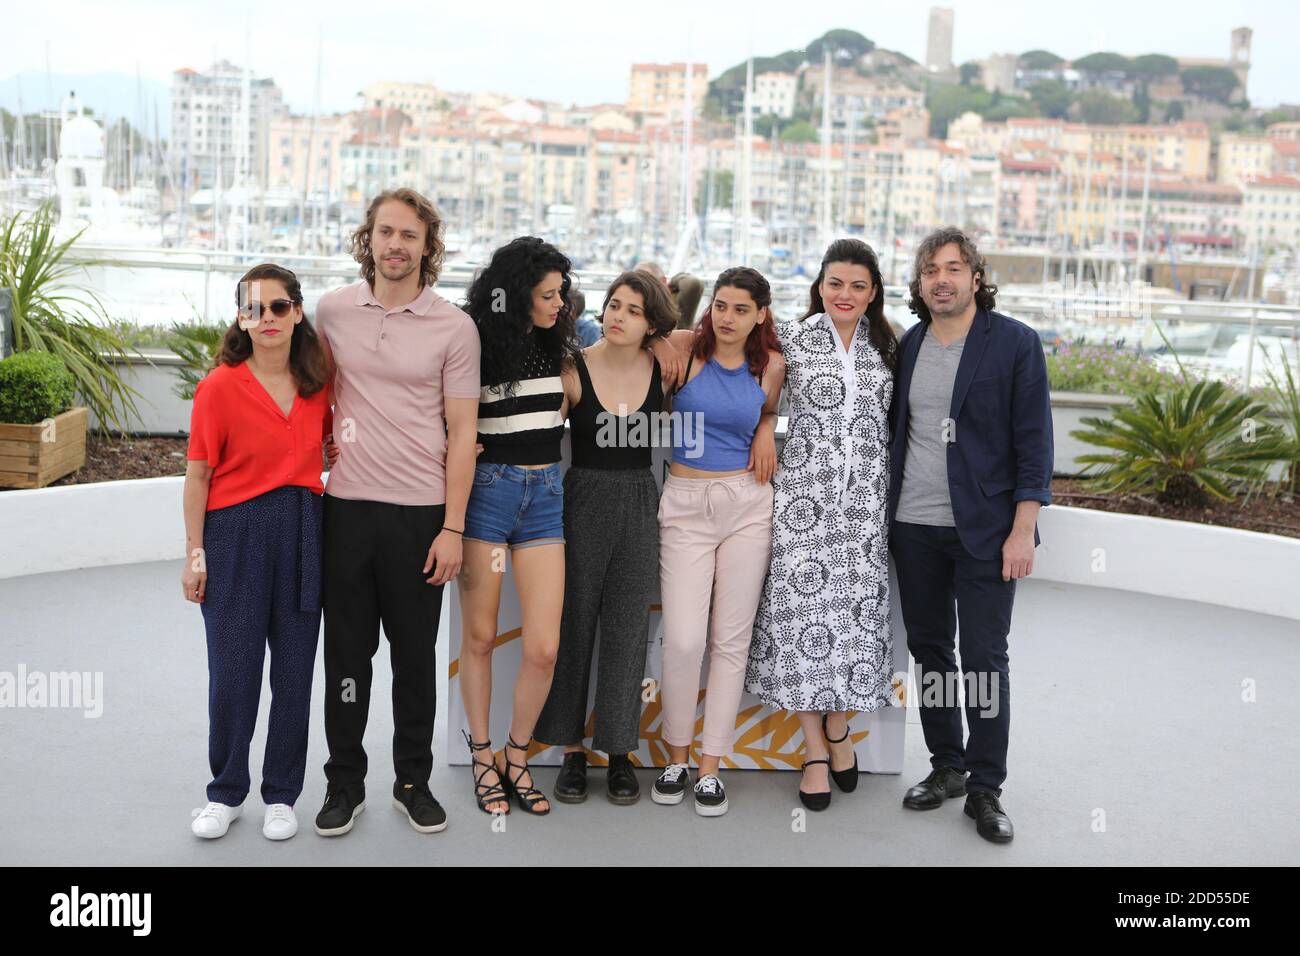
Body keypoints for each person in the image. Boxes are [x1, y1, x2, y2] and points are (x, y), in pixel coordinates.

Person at [313, 188, 480, 837]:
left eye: (409, 235)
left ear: (426, 247)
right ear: (369, 237)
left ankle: (412, 780)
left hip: (421, 518)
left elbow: (463, 432)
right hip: (347, 512)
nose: (395, 245)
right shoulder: (332, 311)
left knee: (414, 660)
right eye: (386, 231)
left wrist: (454, 527)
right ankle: (344, 782)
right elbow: (309, 388)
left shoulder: (454, 327)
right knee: (348, 663)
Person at [888, 227, 1053, 844]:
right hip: (914, 525)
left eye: (954, 268)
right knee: (931, 653)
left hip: (988, 532)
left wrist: (1023, 529)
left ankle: (986, 786)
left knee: (984, 658)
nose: (942, 279)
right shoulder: (908, 344)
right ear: (920, 282)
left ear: (976, 277)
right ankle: (946, 766)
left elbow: (1036, 445)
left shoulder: (1014, 343)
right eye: (931, 269)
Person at [746, 238, 899, 811]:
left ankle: (838, 729)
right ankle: (814, 750)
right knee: (804, 627)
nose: (846, 294)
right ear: (820, 285)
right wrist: (766, 428)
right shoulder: (791, 338)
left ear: (873, 292)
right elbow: (759, 398)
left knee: (855, 626)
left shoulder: (890, 346)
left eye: (858, 285)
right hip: (804, 507)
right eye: (836, 283)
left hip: (864, 509)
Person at [183, 263, 334, 841]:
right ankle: (224, 792)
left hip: (303, 531)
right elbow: (198, 477)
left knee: (294, 674)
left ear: (297, 312)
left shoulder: (320, 387)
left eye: (278, 306)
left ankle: (282, 793)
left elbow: (333, 448)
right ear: (241, 319)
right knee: (233, 673)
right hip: (233, 536)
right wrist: (195, 554)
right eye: (254, 308)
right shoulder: (218, 387)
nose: (266, 318)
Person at [534, 270, 678, 805]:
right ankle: (571, 751)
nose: (617, 316)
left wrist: (664, 339)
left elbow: (700, 333)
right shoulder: (573, 368)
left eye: (633, 310)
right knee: (573, 625)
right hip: (581, 500)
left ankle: (619, 752)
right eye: (614, 305)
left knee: (626, 628)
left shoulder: (667, 368)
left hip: (640, 499)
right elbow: (539, 433)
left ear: (651, 324)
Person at [648, 267, 783, 817]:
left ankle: (709, 767)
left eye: (740, 309)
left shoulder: (772, 365)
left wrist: (769, 427)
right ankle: (675, 757)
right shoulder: (683, 347)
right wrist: (657, 315)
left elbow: (766, 409)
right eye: (720, 306)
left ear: (761, 316)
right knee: (682, 639)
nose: (726, 317)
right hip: (684, 502)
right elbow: (637, 339)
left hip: (747, 505)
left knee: (731, 641)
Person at [458, 236, 580, 816]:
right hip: (489, 497)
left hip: (544, 499)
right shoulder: (474, 340)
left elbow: (634, 340)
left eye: (562, 293)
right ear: (516, 293)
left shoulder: (564, 341)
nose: (559, 304)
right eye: (548, 294)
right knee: (479, 638)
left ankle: (516, 753)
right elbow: (436, 405)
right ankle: (482, 755)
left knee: (543, 647)